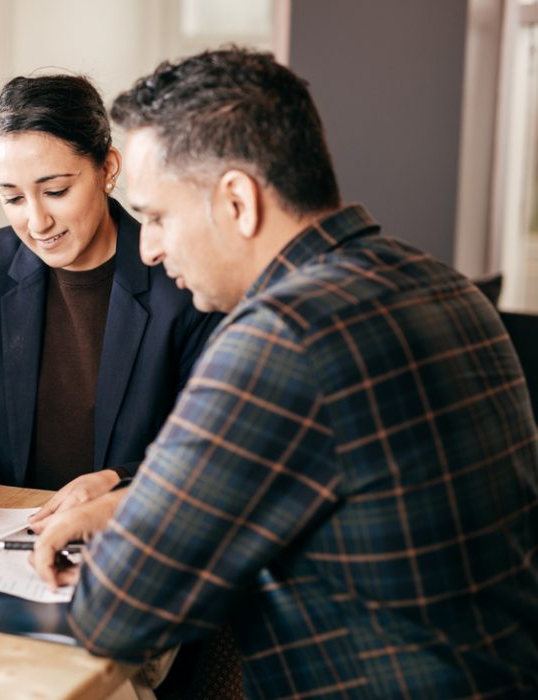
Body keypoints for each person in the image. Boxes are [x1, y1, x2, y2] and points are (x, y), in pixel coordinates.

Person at [34, 48, 538, 697]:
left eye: (156, 217)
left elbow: (117, 615)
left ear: (238, 201)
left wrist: (133, 525)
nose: (150, 248)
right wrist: (132, 505)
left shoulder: (280, 337)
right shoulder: (443, 286)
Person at [0, 75, 220, 533]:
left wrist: (119, 482)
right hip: (12, 533)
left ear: (107, 169)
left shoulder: (182, 278)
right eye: (12, 197)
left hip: (137, 532)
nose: (36, 221)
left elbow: (211, 447)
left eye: (55, 191)